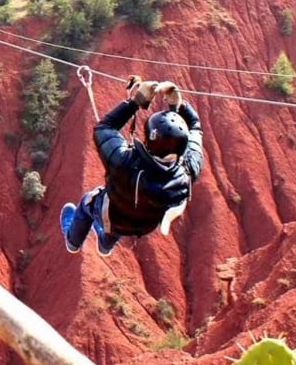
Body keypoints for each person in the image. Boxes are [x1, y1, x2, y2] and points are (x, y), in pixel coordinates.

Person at [60, 75, 203, 256]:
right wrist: (178, 107)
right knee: (123, 213)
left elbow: (104, 128)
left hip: (112, 214)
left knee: (88, 202)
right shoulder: (189, 171)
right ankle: (104, 245)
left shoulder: (124, 161)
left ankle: (72, 241)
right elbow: (196, 129)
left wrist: (137, 101)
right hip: (144, 225)